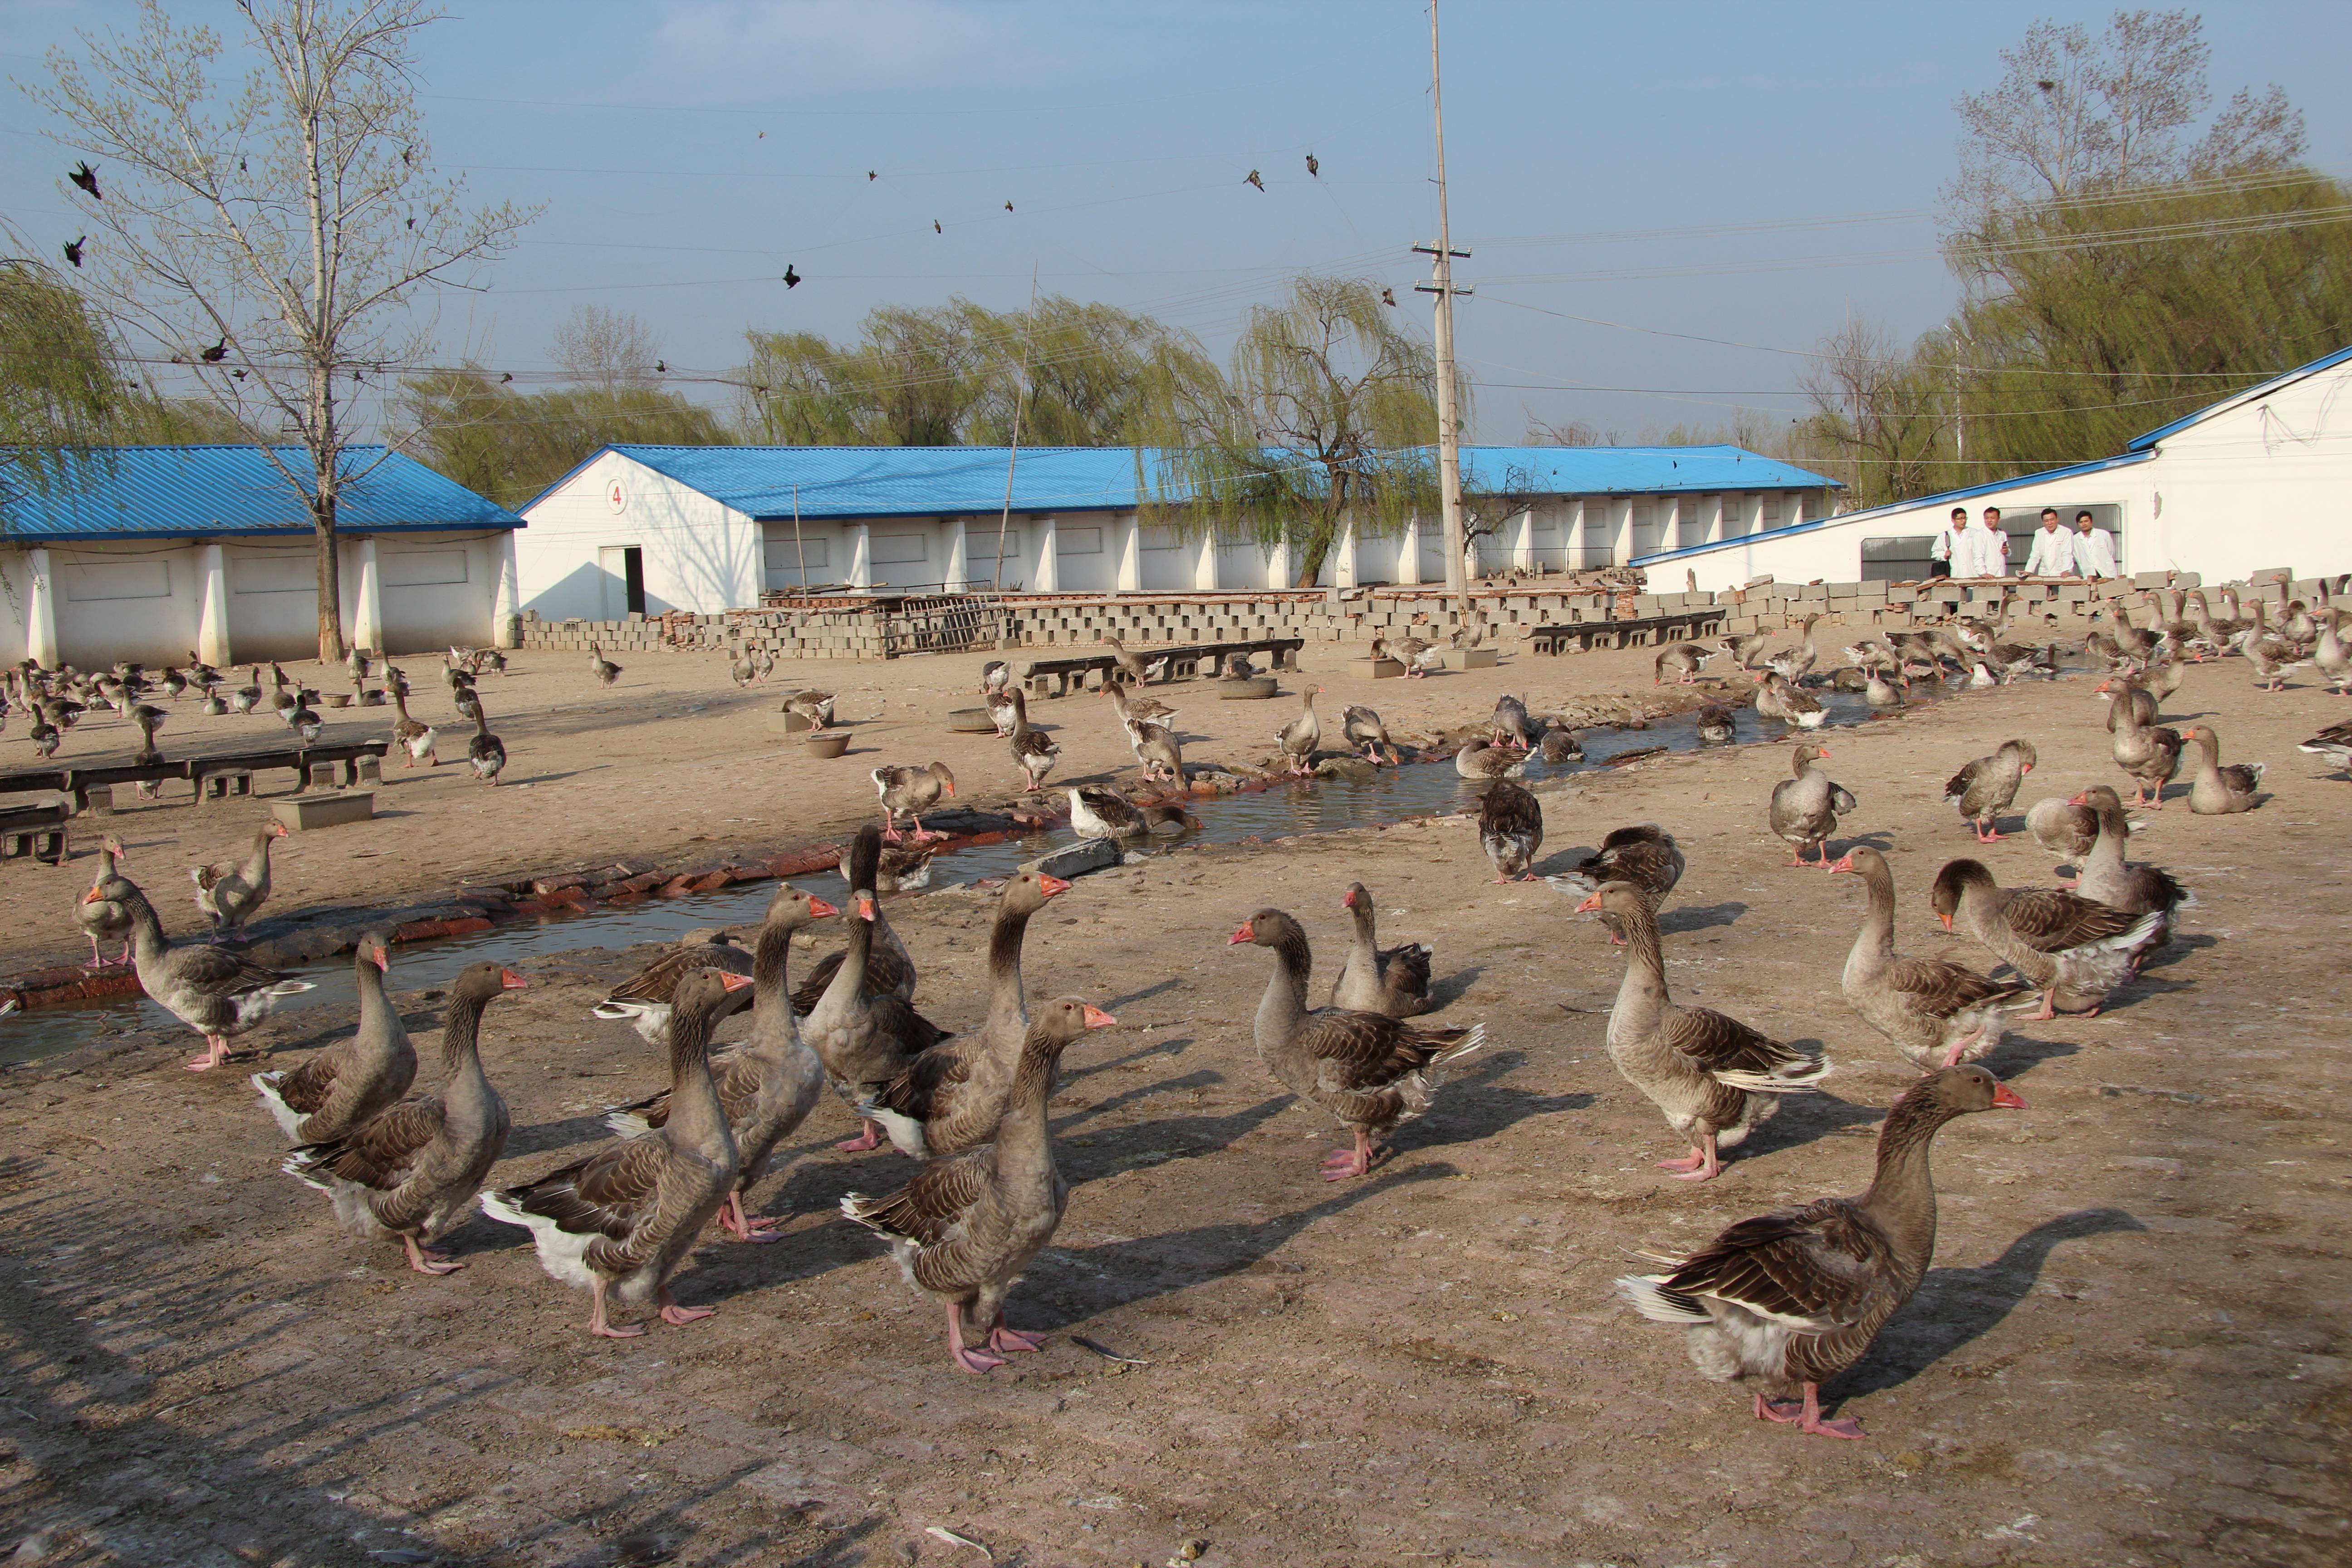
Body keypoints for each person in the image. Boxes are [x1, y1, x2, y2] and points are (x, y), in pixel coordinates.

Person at [2022, 506, 2073, 577]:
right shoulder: (2039, 533)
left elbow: (2067, 553)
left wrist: (2067, 570)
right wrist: (2028, 570)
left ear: (2057, 519)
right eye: (2046, 521)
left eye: (2052, 520)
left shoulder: (2066, 532)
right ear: (2043, 522)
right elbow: (2035, 554)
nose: (2050, 523)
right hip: (2044, 573)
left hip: (2061, 573)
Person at [2073, 509, 2118, 580]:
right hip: (2089, 573)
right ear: (2078, 524)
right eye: (2081, 522)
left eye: (2086, 521)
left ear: (2091, 522)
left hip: (2106, 571)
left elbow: (2111, 552)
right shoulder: (2075, 539)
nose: (2084, 524)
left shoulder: (2103, 534)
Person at [1966, 506, 2009, 579]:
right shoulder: (1980, 535)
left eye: (1992, 518)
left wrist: (2007, 551)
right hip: (1988, 575)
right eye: (1987, 518)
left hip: (2001, 573)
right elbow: (1978, 556)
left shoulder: (2002, 534)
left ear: (1998, 519)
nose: (1989, 521)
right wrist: (1983, 573)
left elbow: (2007, 551)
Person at [1927, 507, 1968, 578]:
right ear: (1953, 520)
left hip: (1972, 574)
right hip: (1954, 575)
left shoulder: (1974, 533)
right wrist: (1944, 555)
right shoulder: (1945, 536)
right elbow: (1935, 553)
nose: (1963, 521)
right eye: (1960, 519)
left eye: (1965, 518)